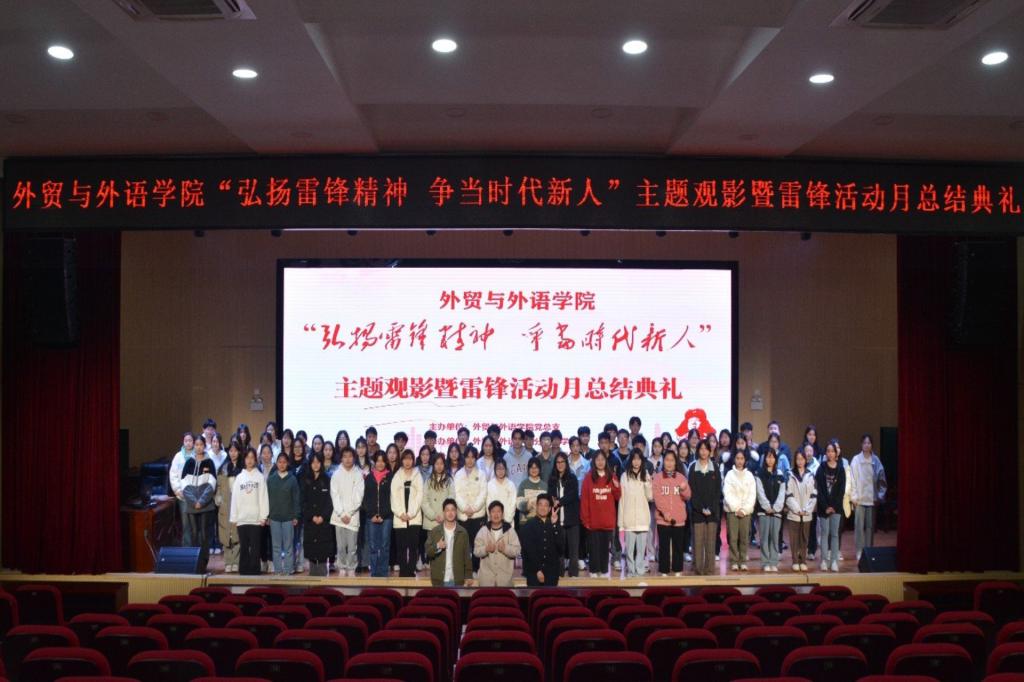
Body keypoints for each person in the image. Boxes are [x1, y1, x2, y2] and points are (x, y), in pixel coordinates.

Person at [580, 451, 621, 578]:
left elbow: (618, 496)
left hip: (607, 521)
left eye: (602, 459)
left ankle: (603, 570)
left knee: (604, 548)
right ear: (594, 461)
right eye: (597, 459)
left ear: (606, 461)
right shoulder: (588, 477)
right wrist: (585, 520)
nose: (600, 462)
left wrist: (617, 487)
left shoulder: (612, 476)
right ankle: (594, 570)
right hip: (593, 521)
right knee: (593, 548)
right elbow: (584, 500)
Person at [231, 447, 269, 575]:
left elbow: (263, 497)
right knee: (244, 547)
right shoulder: (239, 478)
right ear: (244, 459)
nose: (250, 460)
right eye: (247, 457)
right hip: (242, 519)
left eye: (252, 457)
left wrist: (263, 516)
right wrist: (234, 517)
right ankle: (244, 570)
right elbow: (235, 498)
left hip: (256, 519)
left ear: (256, 460)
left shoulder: (260, 477)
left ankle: (254, 571)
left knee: (255, 547)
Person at [182, 435, 217, 572]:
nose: (198, 447)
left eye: (201, 445)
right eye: (196, 445)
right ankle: (194, 564)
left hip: (205, 506)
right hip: (191, 506)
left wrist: (201, 501)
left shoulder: (209, 463)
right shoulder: (189, 463)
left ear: (204, 446)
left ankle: (203, 564)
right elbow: (184, 484)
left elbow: (212, 484)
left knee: (204, 536)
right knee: (194, 535)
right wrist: (193, 501)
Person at [653, 450, 691, 576]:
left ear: (675, 462)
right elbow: (657, 497)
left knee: (678, 546)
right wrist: (664, 513)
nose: (669, 463)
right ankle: (664, 570)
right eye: (667, 460)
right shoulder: (658, 478)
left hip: (678, 519)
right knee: (663, 546)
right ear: (663, 461)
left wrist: (684, 489)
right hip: (662, 519)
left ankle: (677, 569)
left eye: (672, 460)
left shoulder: (681, 477)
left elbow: (688, 496)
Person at [850, 434, 887, 560]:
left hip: (871, 500)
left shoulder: (875, 460)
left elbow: (882, 479)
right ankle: (859, 551)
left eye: (869, 443)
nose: (867, 445)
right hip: (859, 500)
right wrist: (854, 496)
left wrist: (879, 496)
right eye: (865, 443)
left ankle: (869, 551)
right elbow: (852, 479)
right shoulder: (856, 459)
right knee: (859, 527)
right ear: (861, 444)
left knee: (870, 528)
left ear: (871, 445)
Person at [330, 445, 364, 577]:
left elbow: (359, 495)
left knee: (352, 546)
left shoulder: (358, 474)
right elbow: (334, 495)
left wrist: (349, 513)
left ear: (354, 458)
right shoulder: (336, 474)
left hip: (353, 516)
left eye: (350, 456)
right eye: (345, 456)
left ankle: (351, 567)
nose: (348, 459)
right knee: (340, 546)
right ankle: (342, 566)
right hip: (339, 517)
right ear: (341, 458)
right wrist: (342, 513)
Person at [689, 438, 722, 576]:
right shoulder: (693, 467)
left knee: (710, 542)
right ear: (698, 451)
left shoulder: (715, 467)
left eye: (706, 449)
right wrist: (701, 508)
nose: (703, 451)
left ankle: (709, 570)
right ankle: (698, 569)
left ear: (710, 451)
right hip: (697, 511)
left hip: (713, 511)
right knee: (698, 542)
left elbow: (718, 491)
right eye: (701, 449)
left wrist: (711, 508)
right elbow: (692, 491)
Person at [619, 448, 654, 577]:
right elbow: (622, 500)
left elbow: (650, 497)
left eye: (639, 459)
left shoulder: (646, 475)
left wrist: (648, 483)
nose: (636, 462)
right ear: (631, 460)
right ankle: (630, 570)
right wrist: (621, 522)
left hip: (642, 518)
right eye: (634, 459)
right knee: (629, 550)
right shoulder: (624, 476)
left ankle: (639, 570)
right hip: (629, 519)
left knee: (641, 549)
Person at [425, 499, 473, 587]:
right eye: (447, 510)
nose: (450, 513)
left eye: (453, 510)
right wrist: (438, 546)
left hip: (457, 579)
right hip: (439, 580)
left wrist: (469, 576)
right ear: (443, 512)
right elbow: (428, 552)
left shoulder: (463, 532)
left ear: (456, 512)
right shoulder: (435, 531)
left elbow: (467, 556)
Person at [391, 449, 424, 577]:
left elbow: (419, 496)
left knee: (413, 546)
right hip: (400, 518)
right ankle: (403, 572)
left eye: (410, 458)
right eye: (405, 458)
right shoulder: (397, 476)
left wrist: (410, 513)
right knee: (401, 547)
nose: (407, 461)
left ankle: (411, 571)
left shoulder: (417, 475)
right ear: (402, 460)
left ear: (413, 460)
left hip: (414, 518)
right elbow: (393, 497)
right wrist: (400, 513)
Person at [267, 452, 301, 576]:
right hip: (274, 517)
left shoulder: (292, 479)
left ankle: (288, 569)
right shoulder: (271, 479)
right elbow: (267, 499)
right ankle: (278, 570)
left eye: (284, 462)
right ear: (276, 463)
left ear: (287, 464)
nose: (282, 464)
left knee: (288, 546)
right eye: (279, 462)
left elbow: (296, 499)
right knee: (276, 546)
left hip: (288, 517)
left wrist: (296, 515)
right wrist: (267, 516)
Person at [453, 447, 487, 571]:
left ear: (476, 458)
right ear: (464, 458)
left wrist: (473, 508)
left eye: (473, 457)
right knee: (463, 545)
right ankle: (464, 569)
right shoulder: (458, 474)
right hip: (463, 515)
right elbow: (456, 494)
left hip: (477, 515)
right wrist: (464, 508)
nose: (470, 460)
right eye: (468, 457)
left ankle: (475, 569)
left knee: (477, 544)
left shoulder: (481, 474)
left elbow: (483, 494)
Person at [815, 441, 846, 572]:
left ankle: (834, 561)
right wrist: (826, 506)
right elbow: (819, 490)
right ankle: (823, 560)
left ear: (836, 453)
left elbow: (841, 490)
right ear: (825, 453)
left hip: (836, 508)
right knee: (824, 533)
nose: (830, 453)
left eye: (832, 451)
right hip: (824, 508)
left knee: (834, 534)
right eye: (828, 451)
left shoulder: (841, 469)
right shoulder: (821, 468)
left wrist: (833, 506)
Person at [474, 501, 521, 587]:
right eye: (493, 511)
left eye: (498, 511)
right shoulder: (483, 530)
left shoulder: (510, 531)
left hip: (505, 580)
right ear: (489, 514)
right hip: (486, 581)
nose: (496, 514)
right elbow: (476, 551)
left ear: (502, 514)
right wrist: (486, 549)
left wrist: (505, 549)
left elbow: (517, 551)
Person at [723, 449, 756, 571]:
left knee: (744, 537)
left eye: (742, 458)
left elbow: (752, 495)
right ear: (734, 459)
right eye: (737, 458)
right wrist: (736, 508)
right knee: (733, 537)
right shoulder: (729, 475)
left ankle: (742, 560)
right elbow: (727, 493)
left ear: (745, 460)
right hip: (732, 511)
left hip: (746, 512)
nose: (740, 461)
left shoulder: (750, 475)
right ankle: (734, 560)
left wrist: (744, 509)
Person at [519, 494, 562, 586]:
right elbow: (528, 551)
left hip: (552, 574)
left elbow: (560, 548)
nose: (543, 508)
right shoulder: (528, 525)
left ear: (550, 509)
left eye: (546, 505)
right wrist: (538, 570)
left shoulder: (554, 525)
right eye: (540, 504)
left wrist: (555, 525)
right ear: (536, 506)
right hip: (534, 573)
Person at [548, 452, 580, 577]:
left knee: (573, 552)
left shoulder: (572, 478)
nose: (560, 464)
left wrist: (559, 501)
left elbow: (572, 495)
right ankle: (559, 575)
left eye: (562, 462)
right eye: (558, 462)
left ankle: (573, 575)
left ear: (566, 463)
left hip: (572, 520)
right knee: (559, 551)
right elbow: (551, 496)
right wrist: (554, 501)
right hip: (557, 520)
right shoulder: (552, 479)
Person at [302, 451, 334, 576]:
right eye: (313, 462)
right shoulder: (306, 480)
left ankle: (323, 581)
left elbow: (330, 501)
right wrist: (312, 516)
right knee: (311, 551)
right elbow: (303, 501)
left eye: (318, 462)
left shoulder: (327, 479)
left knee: (322, 552)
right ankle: (312, 581)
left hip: (323, 522)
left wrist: (323, 516)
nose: (315, 465)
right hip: (310, 522)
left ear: (321, 463)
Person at [362, 452, 393, 577]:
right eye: (378, 461)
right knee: (373, 546)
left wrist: (383, 515)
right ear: (374, 462)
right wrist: (372, 515)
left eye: (383, 461)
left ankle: (383, 572)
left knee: (385, 546)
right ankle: (374, 573)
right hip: (371, 517)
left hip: (387, 517)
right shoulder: (368, 478)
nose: (380, 463)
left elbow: (393, 499)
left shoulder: (391, 477)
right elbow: (365, 499)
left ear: (386, 462)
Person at [785, 449, 817, 571]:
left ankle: (803, 560)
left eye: (802, 459)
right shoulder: (790, 474)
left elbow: (814, 495)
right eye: (798, 459)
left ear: (805, 460)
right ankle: (795, 561)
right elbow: (788, 494)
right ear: (795, 460)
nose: (800, 461)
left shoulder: (810, 475)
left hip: (807, 513)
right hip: (794, 513)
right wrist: (797, 510)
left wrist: (807, 510)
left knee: (804, 538)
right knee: (794, 539)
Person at [755, 449, 786, 572]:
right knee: (764, 537)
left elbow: (782, 493)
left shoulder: (780, 475)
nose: (770, 459)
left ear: (776, 459)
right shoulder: (759, 474)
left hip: (777, 512)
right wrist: (767, 506)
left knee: (774, 537)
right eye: (768, 457)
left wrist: (776, 507)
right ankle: (765, 562)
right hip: (764, 511)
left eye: (773, 457)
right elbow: (760, 492)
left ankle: (773, 561)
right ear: (765, 459)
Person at [423, 453, 454, 572]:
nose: (439, 466)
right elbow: (424, 501)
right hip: (432, 521)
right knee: (433, 549)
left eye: (441, 463)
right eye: (437, 464)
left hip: (446, 521)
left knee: (446, 548)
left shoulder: (449, 480)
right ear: (433, 465)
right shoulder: (428, 481)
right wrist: (434, 515)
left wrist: (444, 515)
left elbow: (452, 498)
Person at [216, 440, 244, 572]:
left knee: (237, 534)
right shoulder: (223, 468)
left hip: (239, 505)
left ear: (239, 452)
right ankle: (228, 561)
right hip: (225, 506)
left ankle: (236, 561)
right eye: (231, 451)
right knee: (226, 534)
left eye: (235, 451)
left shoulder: (243, 469)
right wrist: (219, 499)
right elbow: (218, 488)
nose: (233, 453)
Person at [169, 431, 196, 546]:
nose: (188, 443)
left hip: (195, 496)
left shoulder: (198, 455)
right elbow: (173, 475)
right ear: (183, 442)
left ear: (193, 442)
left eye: (190, 440)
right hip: (183, 496)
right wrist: (177, 490)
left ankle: (196, 549)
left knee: (195, 524)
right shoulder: (178, 456)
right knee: (185, 524)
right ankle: (187, 549)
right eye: (186, 440)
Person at [486, 458, 517, 525]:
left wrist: (508, 519)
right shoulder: (490, 485)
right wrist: (493, 517)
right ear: (494, 470)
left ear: (506, 470)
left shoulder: (511, 484)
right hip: (493, 520)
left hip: (508, 520)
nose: (500, 471)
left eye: (502, 469)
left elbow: (513, 503)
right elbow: (488, 503)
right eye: (498, 469)